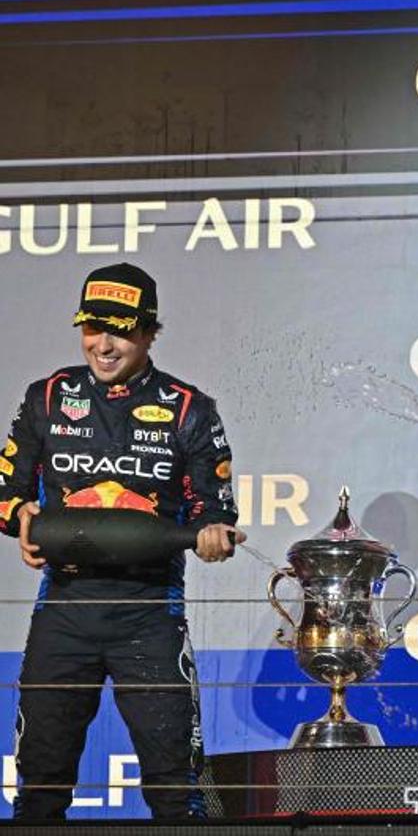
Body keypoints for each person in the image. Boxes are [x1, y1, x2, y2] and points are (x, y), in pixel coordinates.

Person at [0, 262, 244, 819]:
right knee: (39, 786)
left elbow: (216, 509)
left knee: (174, 787)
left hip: (149, 610)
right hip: (64, 605)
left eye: (120, 330)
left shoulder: (189, 408)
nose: (103, 345)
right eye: (92, 328)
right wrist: (21, 515)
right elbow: (4, 493)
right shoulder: (48, 398)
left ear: (150, 332)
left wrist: (211, 534)